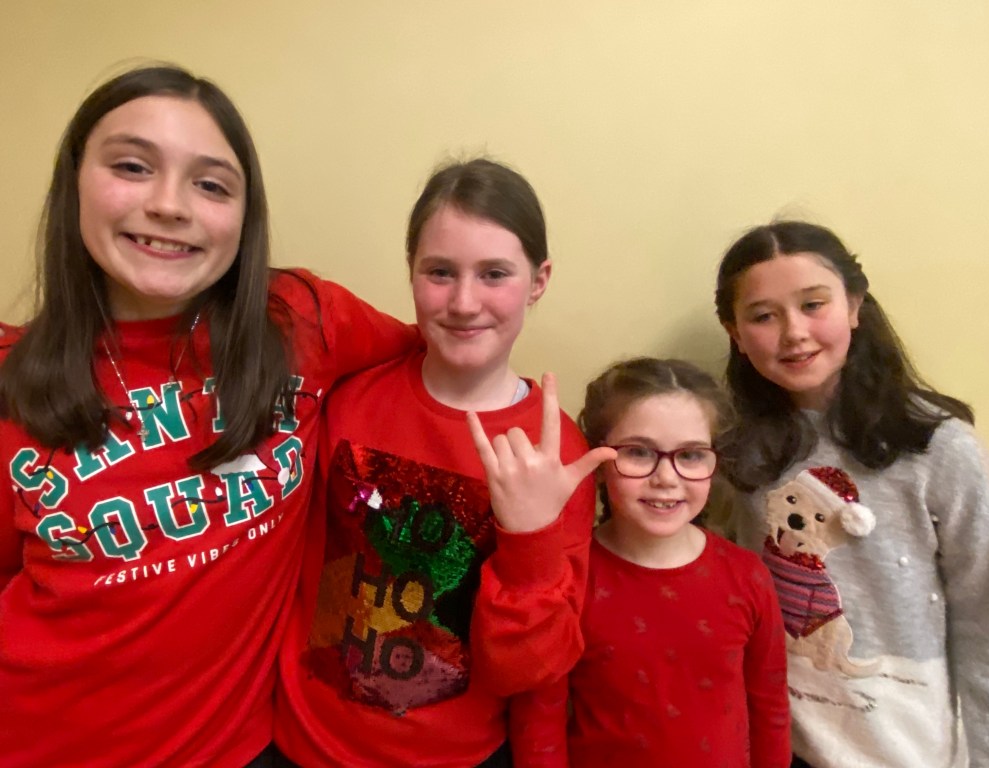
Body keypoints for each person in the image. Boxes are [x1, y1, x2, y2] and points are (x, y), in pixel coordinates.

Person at [0, 65, 417, 768]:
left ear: (245, 217)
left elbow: (437, 353)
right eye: (132, 167)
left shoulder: (303, 321)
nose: (169, 205)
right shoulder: (11, 380)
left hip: (238, 746)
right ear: (74, 182)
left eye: (212, 184)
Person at [274, 158, 606, 767]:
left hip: (456, 755)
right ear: (411, 271)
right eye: (440, 272)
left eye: (494, 274)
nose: (463, 301)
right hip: (305, 742)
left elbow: (529, 670)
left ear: (538, 280)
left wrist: (530, 539)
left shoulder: (557, 454)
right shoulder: (349, 398)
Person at [714, 220, 989, 767]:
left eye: (814, 305)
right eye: (763, 316)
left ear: (854, 305)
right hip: (783, 743)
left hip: (913, 745)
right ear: (734, 331)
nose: (794, 332)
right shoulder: (732, 455)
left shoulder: (939, 447)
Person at [517, 357, 790, 767]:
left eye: (691, 455)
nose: (666, 478)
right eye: (639, 452)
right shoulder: (568, 579)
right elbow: (540, 724)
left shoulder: (747, 576)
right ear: (598, 460)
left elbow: (770, 709)